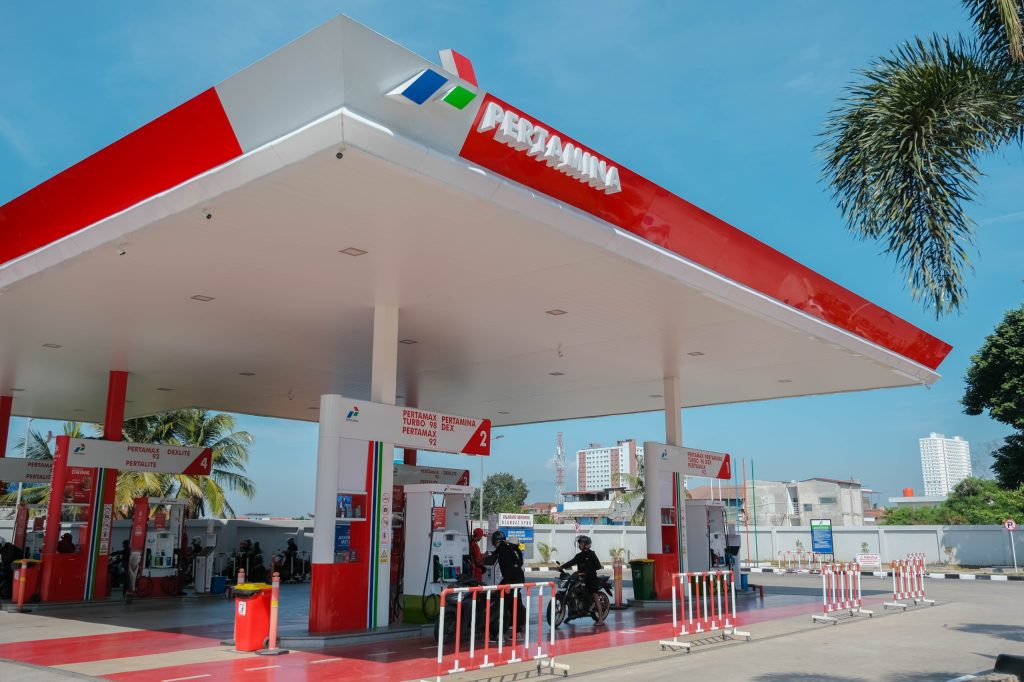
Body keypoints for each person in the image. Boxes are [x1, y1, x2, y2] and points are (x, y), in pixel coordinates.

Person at [559, 535, 607, 624]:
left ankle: (600, 618)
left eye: (581, 543)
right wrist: (562, 567)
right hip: (581, 577)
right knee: (572, 591)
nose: (579, 545)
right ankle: (572, 613)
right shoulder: (579, 555)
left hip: (591, 578)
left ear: (586, 544)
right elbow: (571, 562)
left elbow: (598, 566)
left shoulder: (591, 554)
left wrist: (588, 569)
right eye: (579, 543)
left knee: (595, 595)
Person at [491, 530, 526, 635]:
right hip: (516, 578)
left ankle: (499, 633)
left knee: (504, 604)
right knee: (514, 603)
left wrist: (507, 584)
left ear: (494, 540)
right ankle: (517, 629)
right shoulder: (504, 549)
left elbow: (509, 568)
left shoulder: (503, 549)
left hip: (512, 580)